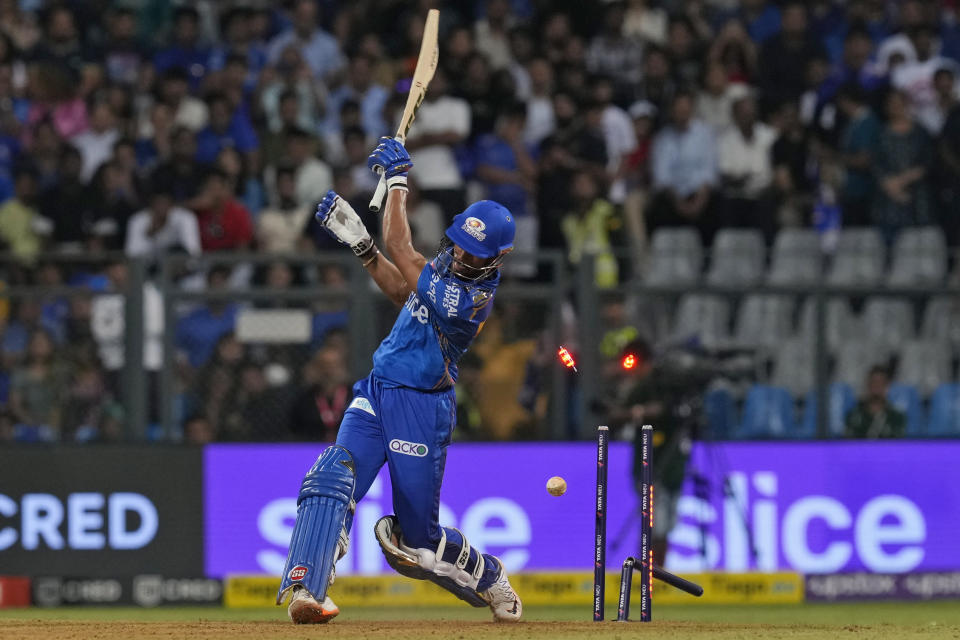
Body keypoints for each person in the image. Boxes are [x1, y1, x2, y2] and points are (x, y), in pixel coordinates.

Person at [275, 137, 522, 624]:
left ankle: (491, 578)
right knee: (332, 476)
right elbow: (399, 286)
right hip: (378, 388)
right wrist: (362, 247)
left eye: (476, 254)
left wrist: (397, 181)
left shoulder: (470, 300)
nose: (463, 257)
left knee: (415, 547)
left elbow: (401, 247)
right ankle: (310, 588)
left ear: (497, 257)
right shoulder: (444, 266)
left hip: (421, 408)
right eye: (462, 246)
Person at [844, 365, 906, 439]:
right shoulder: (853, 416)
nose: (877, 386)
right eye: (873, 382)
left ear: (887, 386)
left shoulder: (896, 417)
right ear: (867, 385)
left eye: (880, 383)